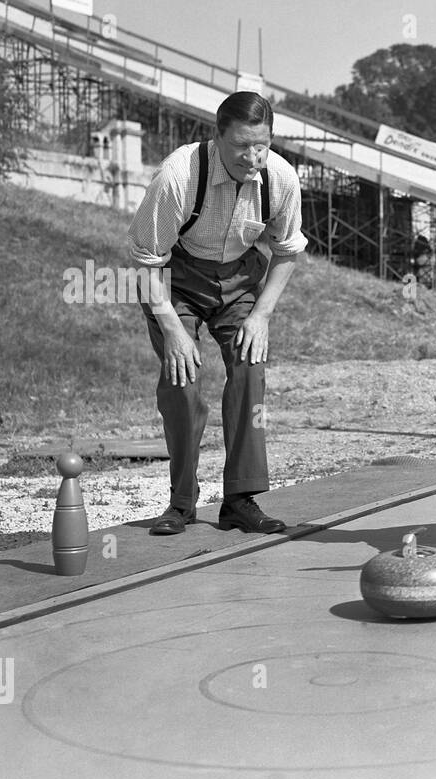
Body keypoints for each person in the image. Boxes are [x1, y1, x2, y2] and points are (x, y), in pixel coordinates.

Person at [128, 91, 307, 535]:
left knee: (250, 366)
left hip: (240, 277)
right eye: (242, 146)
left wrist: (260, 316)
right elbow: (146, 260)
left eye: (262, 144)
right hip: (177, 278)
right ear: (217, 137)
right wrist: (172, 330)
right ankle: (181, 503)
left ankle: (240, 500)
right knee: (182, 377)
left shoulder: (281, 179)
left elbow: (286, 252)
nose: (253, 157)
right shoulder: (179, 176)